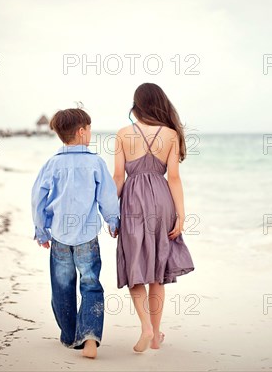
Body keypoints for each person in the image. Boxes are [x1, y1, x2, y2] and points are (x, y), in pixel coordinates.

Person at [31, 108, 120, 359]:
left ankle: (70, 337)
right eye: (89, 129)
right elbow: (108, 197)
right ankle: (90, 337)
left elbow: (38, 198)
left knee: (62, 288)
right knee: (91, 286)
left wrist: (41, 230)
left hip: (59, 237)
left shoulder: (52, 164)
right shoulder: (95, 162)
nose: (91, 133)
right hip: (87, 239)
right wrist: (113, 221)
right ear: (82, 132)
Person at [113, 83, 195, 352]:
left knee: (134, 266)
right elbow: (173, 178)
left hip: (134, 201)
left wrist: (112, 213)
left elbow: (118, 178)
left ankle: (146, 328)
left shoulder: (123, 134)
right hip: (162, 202)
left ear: (137, 105)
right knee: (157, 272)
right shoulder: (171, 135)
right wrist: (181, 215)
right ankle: (156, 334)